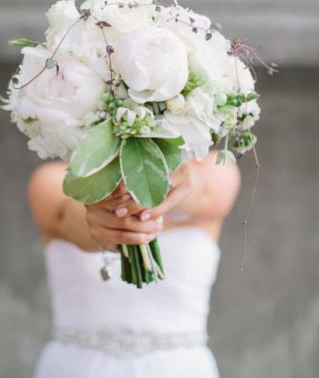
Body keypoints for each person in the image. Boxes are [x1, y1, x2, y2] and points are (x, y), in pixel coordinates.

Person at [28, 149, 241, 378]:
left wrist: (163, 182)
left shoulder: (216, 170)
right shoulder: (51, 180)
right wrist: (104, 221)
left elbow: (198, 195)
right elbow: (71, 220)